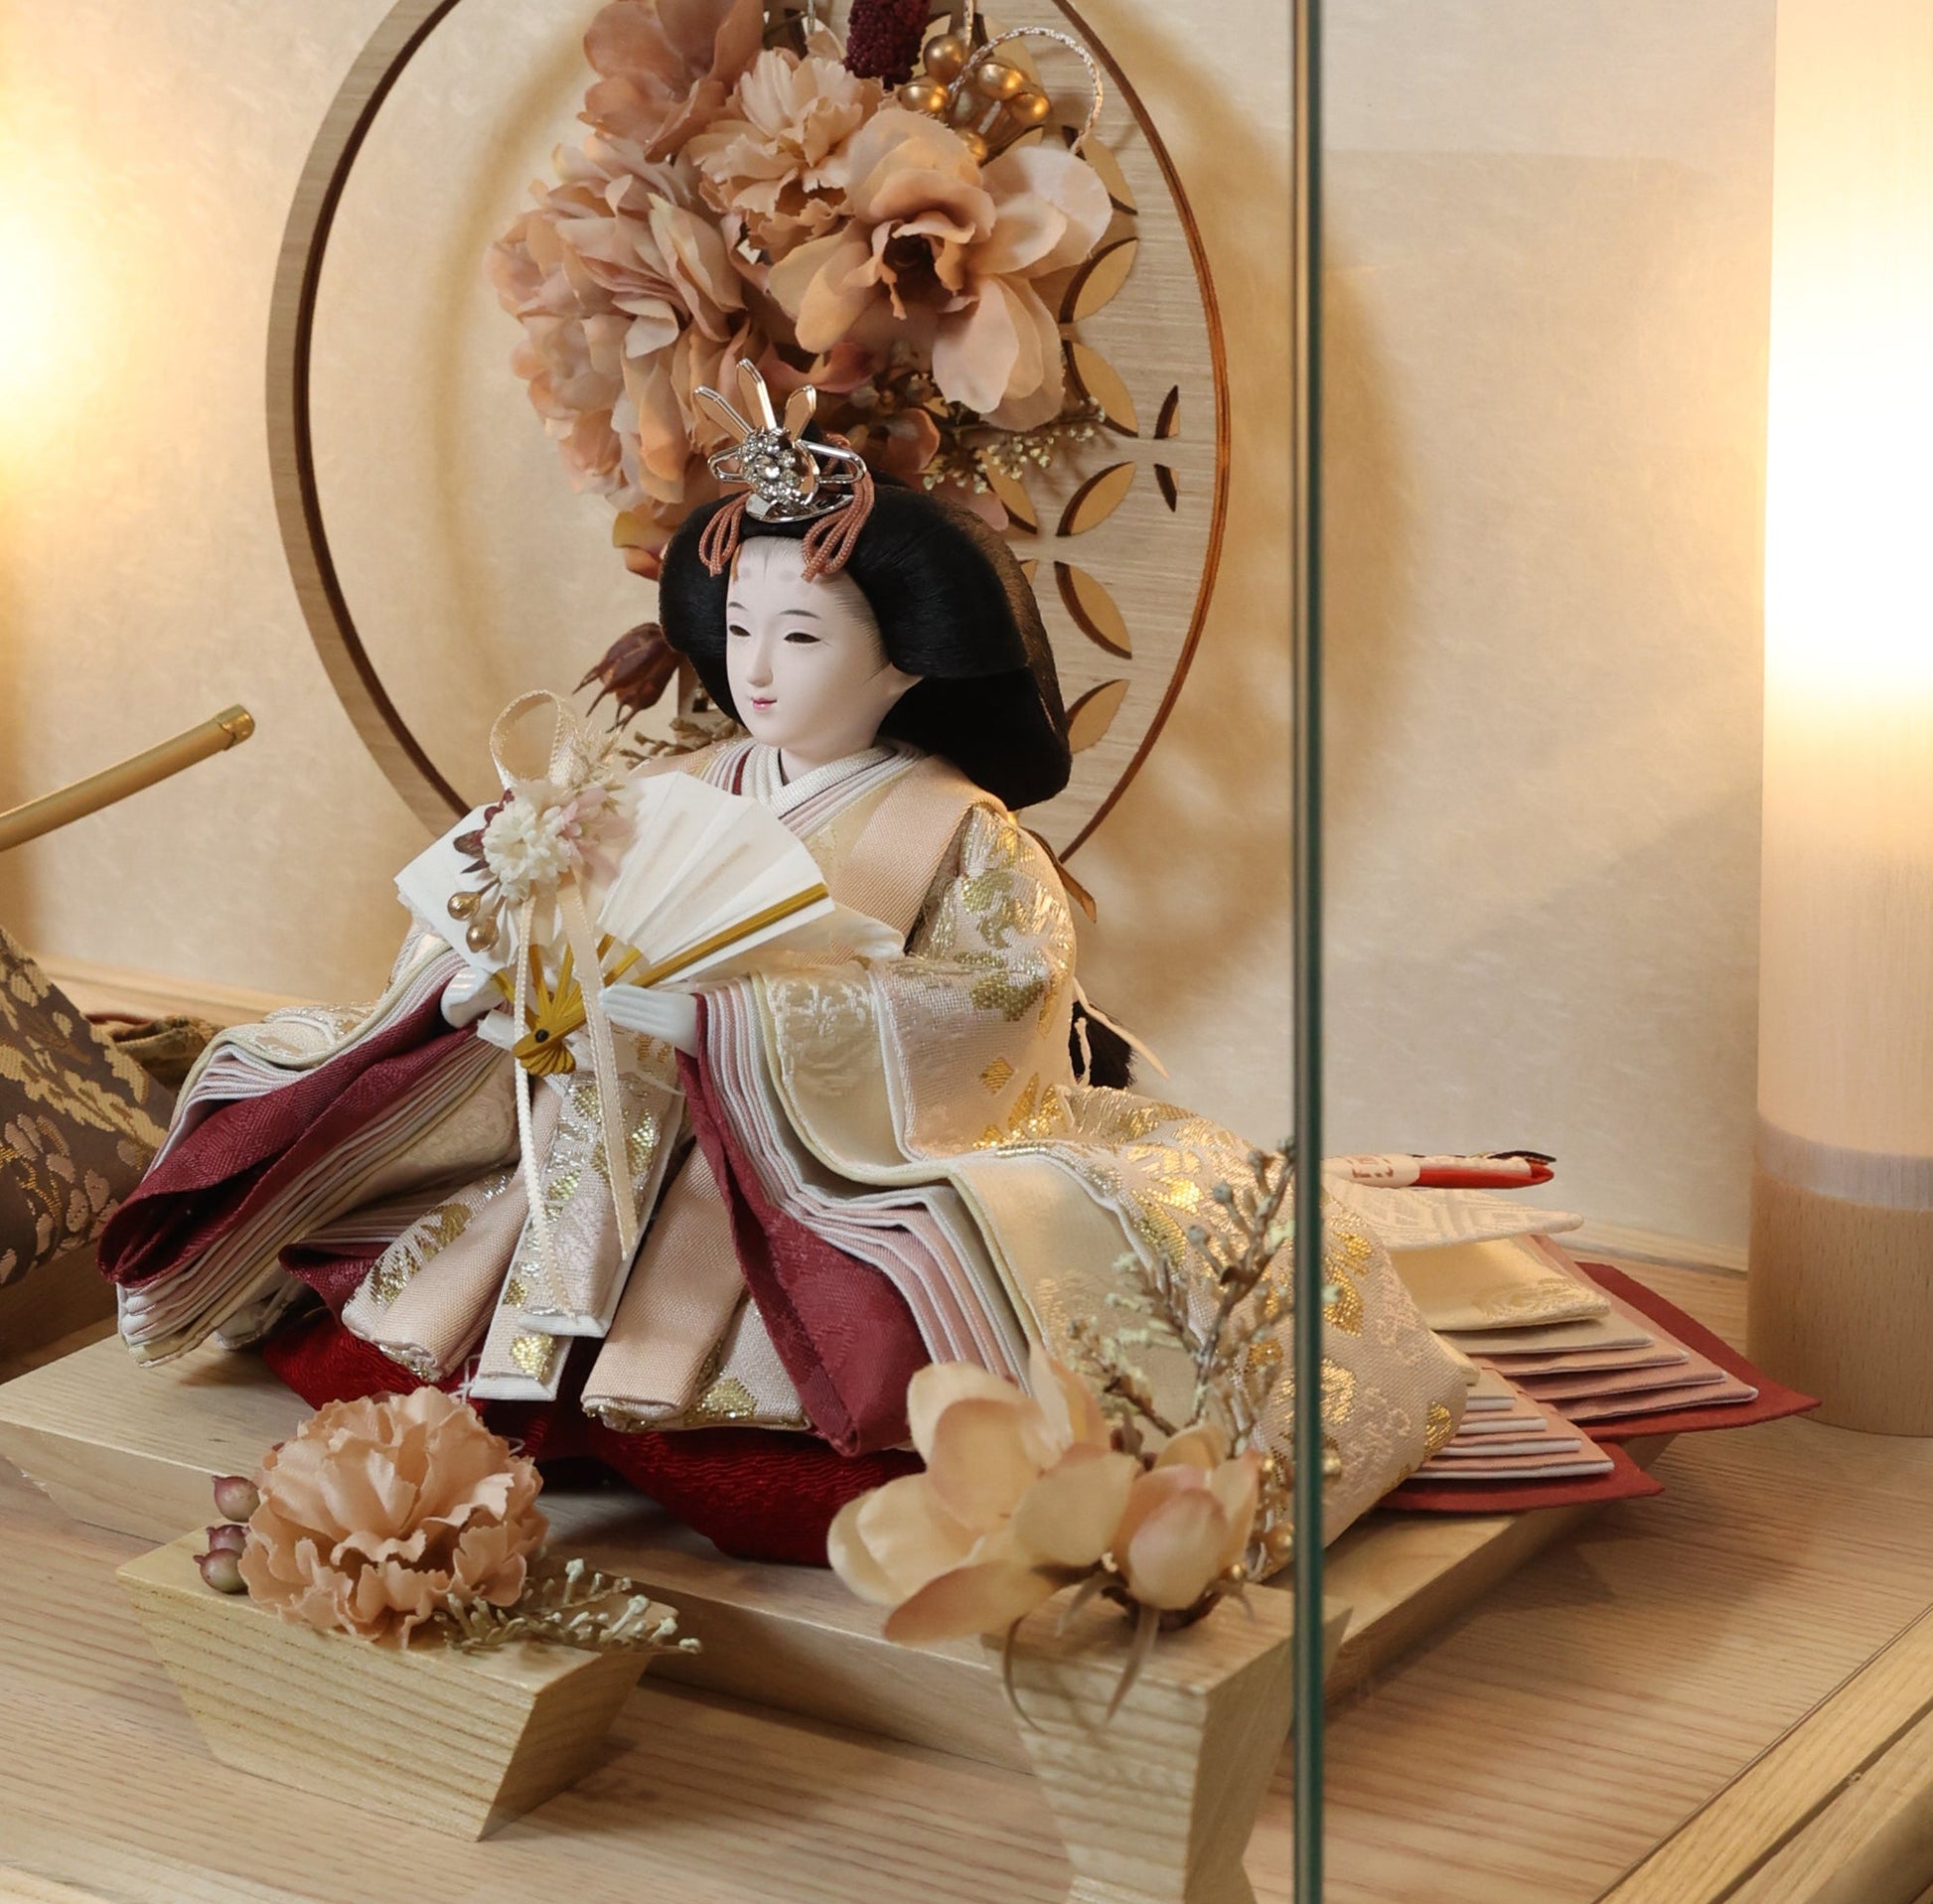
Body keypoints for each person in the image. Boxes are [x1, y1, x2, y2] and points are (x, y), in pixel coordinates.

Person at [100, 369, 1466, 1563]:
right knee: (397, 1279)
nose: (756, 668)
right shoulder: (667, 787)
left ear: (904, 666)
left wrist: (734, 1026)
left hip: (787, 1169)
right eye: (741, 629)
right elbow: (537, 930)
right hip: (593, 1149)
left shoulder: (960, 831)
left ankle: (698, 1408)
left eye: (802, 636)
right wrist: (496, 985)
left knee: (848, 1390)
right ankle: (535, 1378)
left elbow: (996, 999)